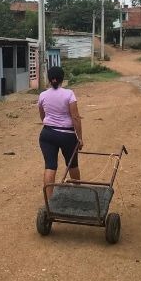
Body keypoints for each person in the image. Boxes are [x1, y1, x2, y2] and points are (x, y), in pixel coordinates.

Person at [38, 66, 83, 198]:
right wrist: (79, 138)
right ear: (62, 79)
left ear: (49, 79)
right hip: (67, 135)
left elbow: (42, 116)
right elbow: (75, 117)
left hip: (47, 134)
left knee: (50, 166)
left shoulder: (43, 95)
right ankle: (79, 193)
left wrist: (50, 125)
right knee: (72, 164)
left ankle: (49, 201)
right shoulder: (69, 94)